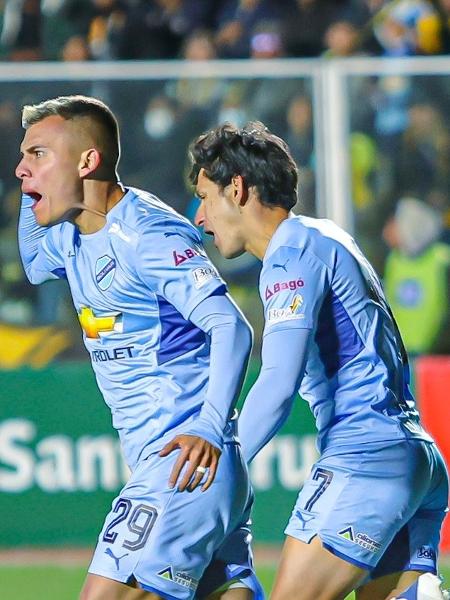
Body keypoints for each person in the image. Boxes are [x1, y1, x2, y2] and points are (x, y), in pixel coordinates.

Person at [16, 95, 264, 600]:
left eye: (38, 154)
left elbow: (231, 327)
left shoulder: (147, 233)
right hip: (188, 472)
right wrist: (34, 186)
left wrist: (210, 428)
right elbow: (33, 262)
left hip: (181, 463)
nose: (20, 168)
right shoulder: (70, 235)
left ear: (88, 162)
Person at [189, 121, 449, 600]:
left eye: (205, 198)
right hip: (413, 457)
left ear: (238, 189)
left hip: (365, 458)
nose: (200, 218)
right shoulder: (326, 237)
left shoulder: (289, 254)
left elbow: (278, 381)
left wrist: (224, 462)